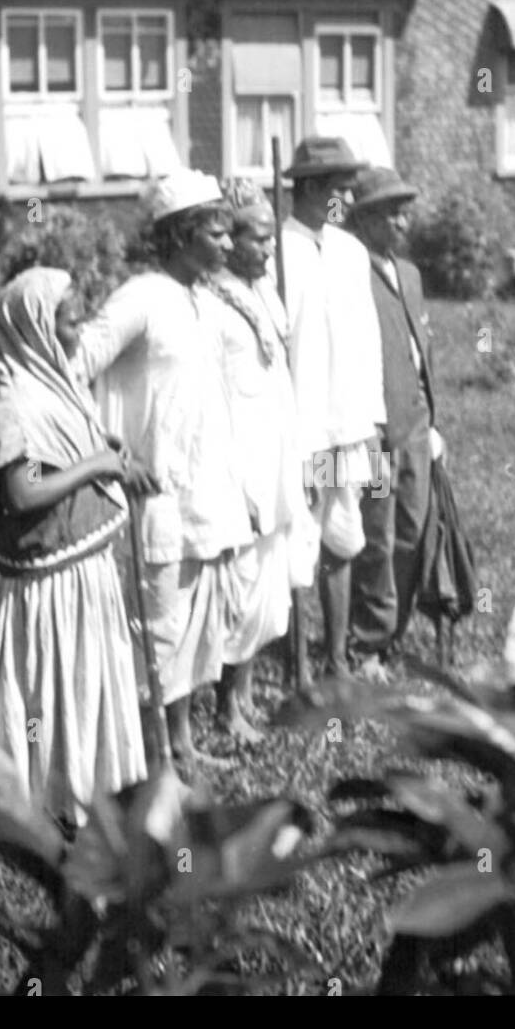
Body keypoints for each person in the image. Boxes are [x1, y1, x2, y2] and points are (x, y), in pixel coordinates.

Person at [0, 266, 159, 828]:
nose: (78, 332)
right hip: (48, 583)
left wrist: (104, 448)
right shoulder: (17, 403)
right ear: (39, 329)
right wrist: (96, 464)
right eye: (69, 322)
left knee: (85, 679)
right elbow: (23, 492)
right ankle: (45, 799)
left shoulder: (56, 386)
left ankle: (90, 792)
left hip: (79, 568)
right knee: (50, 687)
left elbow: (66, 452)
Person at [70, 169, 255, 767]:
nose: (229, 245)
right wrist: (114, 453)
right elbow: (73, 369)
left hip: (205, 492)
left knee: (196, 624)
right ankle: (151, 758)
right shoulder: (140, 298)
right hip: (157, 498)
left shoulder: (202, 301)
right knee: (156, 624)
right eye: (218, 233)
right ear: (180, 236)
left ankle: (183, 742)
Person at [202, 177, 311, 741]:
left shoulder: (264, 291)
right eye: (259, 240)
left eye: (271, 241)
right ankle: (224, 707)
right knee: (239, 594)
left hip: (276, 459)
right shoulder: (212, 302)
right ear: (231, 239)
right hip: (239, 469)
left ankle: (241, 698)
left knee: (267, 592)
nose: (268, 251)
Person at [280, 136, 386, 678]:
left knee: (343, 539)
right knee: (300, 545)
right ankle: (298, 666)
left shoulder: (350, 252)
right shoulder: (278, 253)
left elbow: (367, 342)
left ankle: (338, 656)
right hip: (302, 429)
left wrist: (372, 424)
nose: (345, 197)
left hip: (346, 424)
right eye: (337, 188)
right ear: (311, 188)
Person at [345, 166, 445, 679]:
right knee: (374, 536)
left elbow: (418, 350)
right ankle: (365, 643)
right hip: (371, 432)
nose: (403, 222)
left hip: (413, 426)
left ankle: (395, 632)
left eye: (406, 211)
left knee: (413, 528)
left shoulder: (408, 274)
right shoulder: (345, 272)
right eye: (391, 213)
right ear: (363, 219)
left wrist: (431, 418)